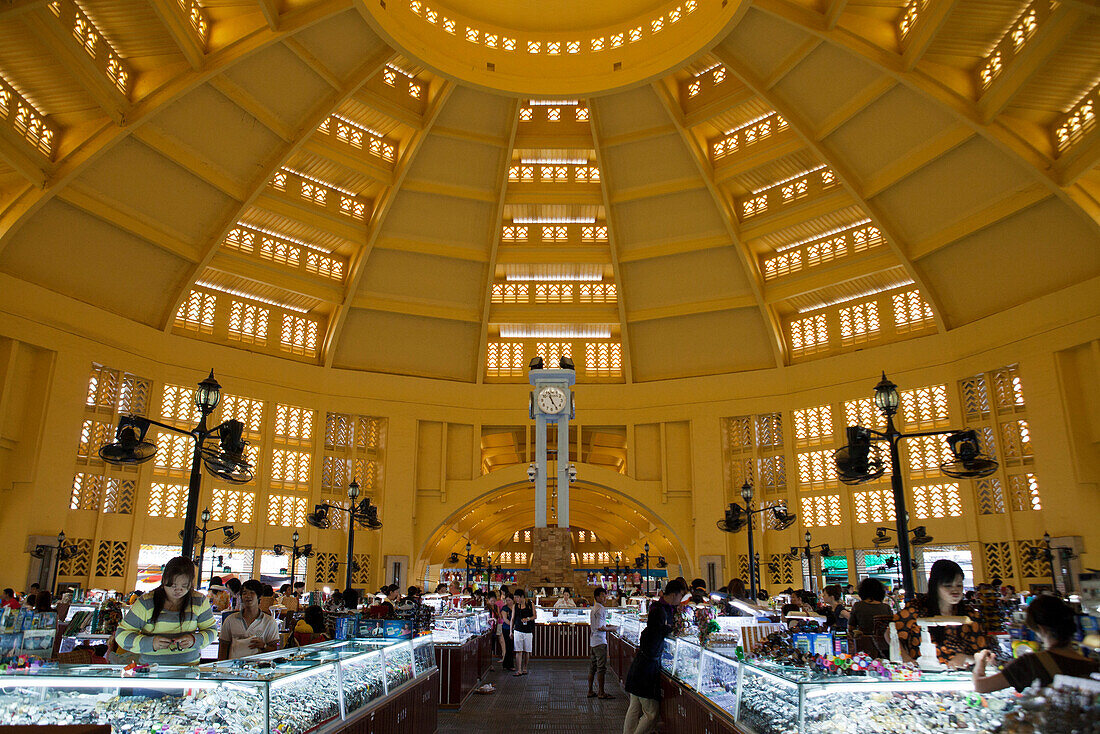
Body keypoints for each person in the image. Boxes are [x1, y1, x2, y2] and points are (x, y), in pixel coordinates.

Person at [973, 595, 1098, 692]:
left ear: (1041, 629)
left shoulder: (1032, 663)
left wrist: (979, 661)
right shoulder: (1093, 666)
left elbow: (981, 685)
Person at [115, 556, 217, 665]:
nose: (178, 590)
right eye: (173, 585)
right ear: (164, 581)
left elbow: (212, 631)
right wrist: (151, 643)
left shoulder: (199, 601)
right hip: (151, 670)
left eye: (184, 586)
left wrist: (194, 640)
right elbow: (121, 635)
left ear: (191, 583)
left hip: (188, 670)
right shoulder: (146, 603)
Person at [894, 559, 988, 669]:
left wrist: (965, 657)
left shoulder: (970, 615)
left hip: (961, 677)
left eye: (959, 585)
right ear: (935, 586)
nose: (955, 590)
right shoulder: (917, 609)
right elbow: (891, 634)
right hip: (924, 676)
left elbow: (983, 655)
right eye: (948, 586)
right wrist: (907, 660)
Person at [623, 579, 688, 734]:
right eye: (681, 595)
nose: (681, 599)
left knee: (634, 706)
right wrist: (672, 629)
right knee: (651, 713)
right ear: (674, 594)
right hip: (647, 667)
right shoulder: (661, 611)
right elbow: (657, 631)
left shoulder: (658, 607)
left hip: (640, 663)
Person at [219, 579, 280, 660]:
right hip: (234, 669)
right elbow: (223, 647)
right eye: (244, 593)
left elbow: (274, 650)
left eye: (252, 593)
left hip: (258, 669)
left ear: (259, 596)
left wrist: (263, 646)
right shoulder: (230, 620)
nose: (248, 596)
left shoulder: (269, 622)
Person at [587, 588, 616, 700]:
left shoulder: (594, 608)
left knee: (592, 667)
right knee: (601, 668)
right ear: (597, 597)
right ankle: (601, 692)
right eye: (603, 596)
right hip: (600, 642)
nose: (605, 598)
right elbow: (600, 627)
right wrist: (613, 629)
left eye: (605, 595)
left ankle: (590, 690)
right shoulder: (601, 609)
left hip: (593, 642)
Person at [512, 589, 535, 676]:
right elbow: (512, 619)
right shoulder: (515, 606)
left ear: (522, 597)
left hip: (528, 630)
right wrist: (511, 631)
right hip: (518, 630)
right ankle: (519, 670)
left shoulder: (530, 604)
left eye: (517, 597)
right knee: (518, 650)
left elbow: (534, 616)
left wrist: (528, 619)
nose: (516, 599)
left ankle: (525, 668)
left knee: (527, 651)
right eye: (515, 598)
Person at [500, 593, 516, 670]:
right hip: (506, 628)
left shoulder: (516, 607)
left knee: (511, 646)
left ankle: (506, 664)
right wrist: (512, 625)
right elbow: (505, 619)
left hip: (515, 628)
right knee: (509, 645)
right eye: (506, 600)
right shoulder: (504, 608)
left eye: (509, 600)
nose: (508, 602)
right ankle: (509, 665)